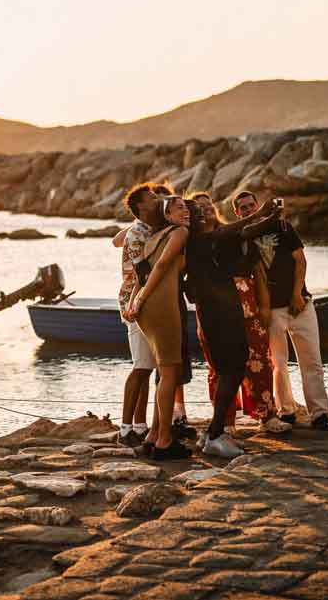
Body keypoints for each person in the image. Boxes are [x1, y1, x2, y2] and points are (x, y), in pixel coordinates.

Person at [183, 193, 291, 459]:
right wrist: (260, 213)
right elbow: (232, 231)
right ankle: (216, 434)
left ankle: (213, 432)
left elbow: (242, 232)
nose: (205, 212)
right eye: (198, 211)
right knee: (229, 370)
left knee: (232, 367)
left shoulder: (210, 238)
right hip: (217, 313)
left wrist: (270, 216)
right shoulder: (198, 240)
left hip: (225, 310)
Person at [233, 190, 328, 431]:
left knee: (312, 361)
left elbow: (300, 260)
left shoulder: (282, 227)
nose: (247, 210)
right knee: (278, 363)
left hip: (299, 304)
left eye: (250, 205)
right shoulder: (243, 237)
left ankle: (319, 413)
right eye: (242, 208)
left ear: (258, 206)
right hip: (271, 310)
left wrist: (298, 294)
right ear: (237, 213)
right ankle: (286, 410)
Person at [125, 195, 191, 460]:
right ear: (168, 215)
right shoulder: (180, 233)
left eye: (186, 207)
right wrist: (138, 300)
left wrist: (134, 301)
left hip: (148, 308)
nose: (185, 211)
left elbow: (141, 272)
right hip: (161, 306)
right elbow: (162, 266)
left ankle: (153, 434)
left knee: (165, 373)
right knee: (169, 374)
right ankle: (164, 440)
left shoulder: (154, 236)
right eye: (179, 208)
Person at [114, 183, 166, 447]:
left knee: (145, 367)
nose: (158, 199)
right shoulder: (138, 234)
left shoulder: (147, 229)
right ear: (141, 207)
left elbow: (115, 241)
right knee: (141, 367)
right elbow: (143, 271)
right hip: (134, 305)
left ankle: (139, 425)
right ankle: (124, 430)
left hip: (142, 303)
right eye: (153, 197)